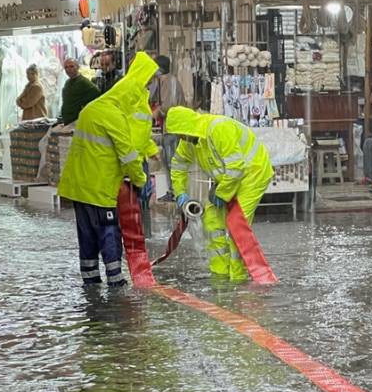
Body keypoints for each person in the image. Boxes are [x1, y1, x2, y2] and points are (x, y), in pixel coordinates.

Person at [58, 52, 157, 287]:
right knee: (108, 230)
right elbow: (129, 155)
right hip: (100, 186)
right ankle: (116, 282)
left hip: (78, 186)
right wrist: (141, 181)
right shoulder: (114, 116)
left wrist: (150, 148)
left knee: (87, 235)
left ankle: (91, 281)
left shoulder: (94, 108)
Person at [166, 106, 274, 282]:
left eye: (180, 134)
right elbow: (178, 167)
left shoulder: (219, 129)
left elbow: (236, 167)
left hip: (253, 174)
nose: (180, 138)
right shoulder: (189, 140)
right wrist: (180, 195)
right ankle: (220, 272)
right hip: (227, 179)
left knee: (236, 225)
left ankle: (238, 277)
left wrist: (222, 193)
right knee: (211, 220)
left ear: (187, 127)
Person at [148, 54, 186, 201]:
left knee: (172, 161)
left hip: (173, 127)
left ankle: (176, 192)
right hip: (170, 127)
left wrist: (155, 113)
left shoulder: (169, 81)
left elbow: (168, 105)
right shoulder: (165, 80)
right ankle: (174, 191)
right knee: (168, 160)